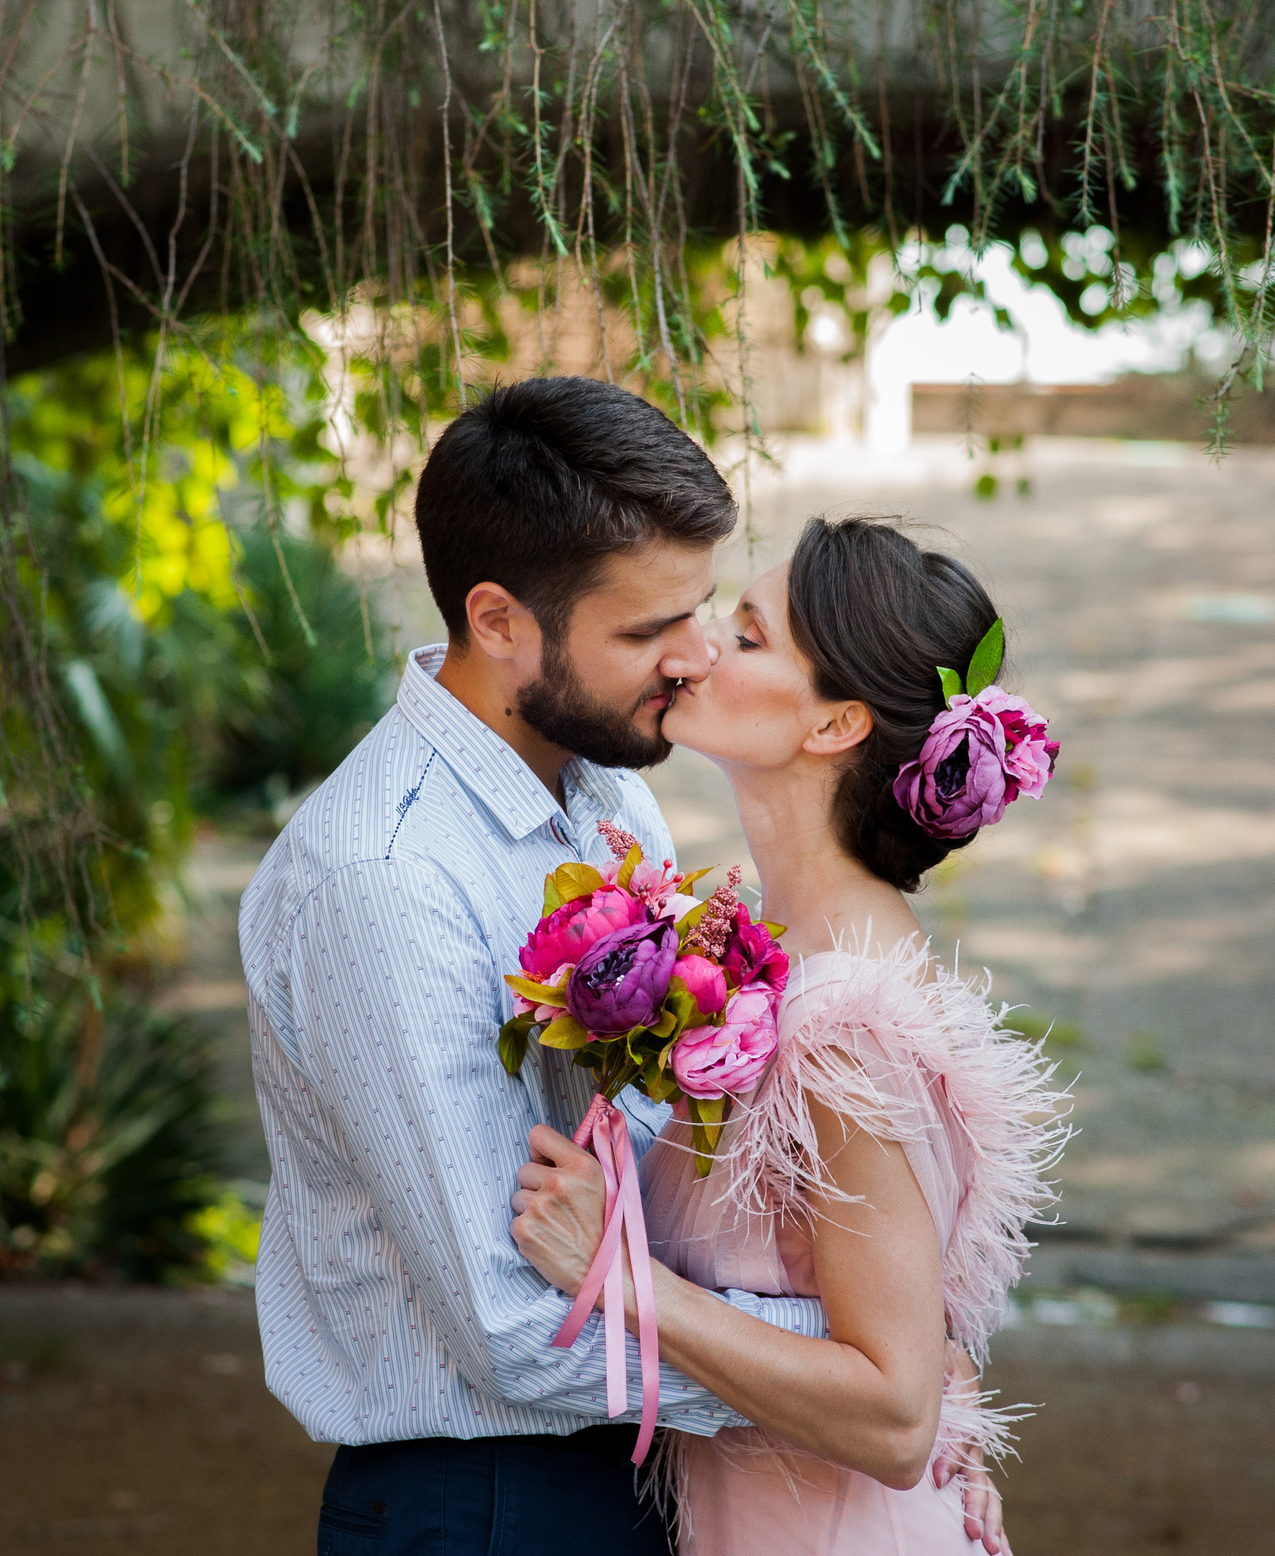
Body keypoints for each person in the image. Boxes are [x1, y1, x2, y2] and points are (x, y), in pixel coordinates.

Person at [239, 377, 836, 1555]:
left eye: (700, 607)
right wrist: (832, 1366)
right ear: (500, 619)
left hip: (639, 1458)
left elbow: (648, 1143)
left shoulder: (604, 785)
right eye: (645, 630)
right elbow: (505, 1321)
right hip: (491, 1500)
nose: (696, 654)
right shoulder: (385, 876)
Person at [511, 516, 1065, 1555]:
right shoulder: (798, 962)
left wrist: (625, 1275)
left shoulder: (839, 1027)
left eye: (751, 635)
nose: (701, 644)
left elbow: (895, 1415)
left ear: (833, 724)